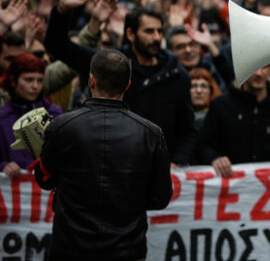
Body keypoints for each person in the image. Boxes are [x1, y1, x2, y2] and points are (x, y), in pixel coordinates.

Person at [32, 49, 172, 261]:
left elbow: (44, 179)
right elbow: (160, 197)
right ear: (127, 84)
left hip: (71, 248)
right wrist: (128, 199)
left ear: (91, 80)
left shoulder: (61, 127)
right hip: (126, 249)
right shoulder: (151, 133)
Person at [44, 0, 197, 166]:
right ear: (131, 34)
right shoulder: (109, 65)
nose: (157, 37)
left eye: (160, 31)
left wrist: (177, 161)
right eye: (149, 32)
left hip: (160, 172)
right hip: (114, 168)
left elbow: (187, 130)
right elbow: (57, 46)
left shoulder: (177, 74)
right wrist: (62, 10)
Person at [196, 64, 270, 176]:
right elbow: (203, 145)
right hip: (232, 186)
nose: (259, 73)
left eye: (265, 66)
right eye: (253, 67)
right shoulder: (221, 106)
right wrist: (214, 158)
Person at [0, 54, 64, 177]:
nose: (35, 86)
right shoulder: (2, 118)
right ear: (13, 81)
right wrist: (3, 166)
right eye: (29, 80)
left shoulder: (57, 114)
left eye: (40, 80)